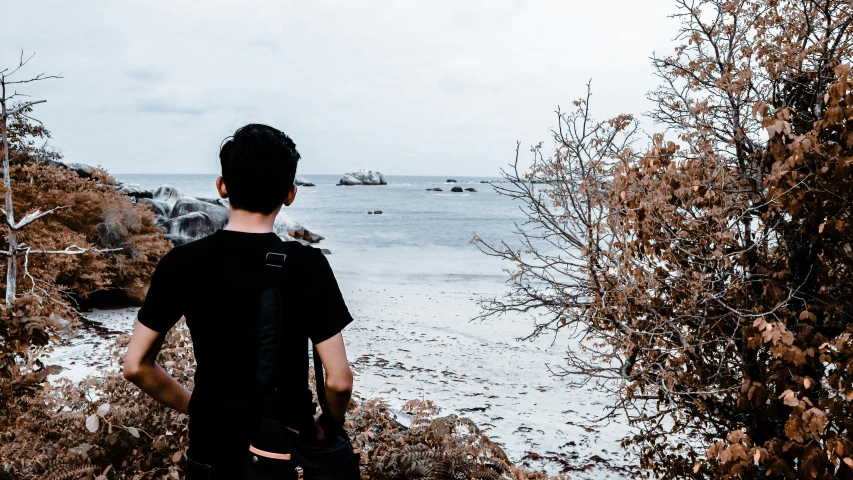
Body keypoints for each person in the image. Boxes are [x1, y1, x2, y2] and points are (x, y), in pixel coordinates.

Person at [123, 124, 354, 479]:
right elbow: (338, 380)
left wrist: (198, 408)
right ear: (290, 194)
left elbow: (136, 366)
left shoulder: (181, 263)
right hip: (285, 447)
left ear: (222, 186)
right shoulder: (307, 264)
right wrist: (329, 423)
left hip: (211, 449)